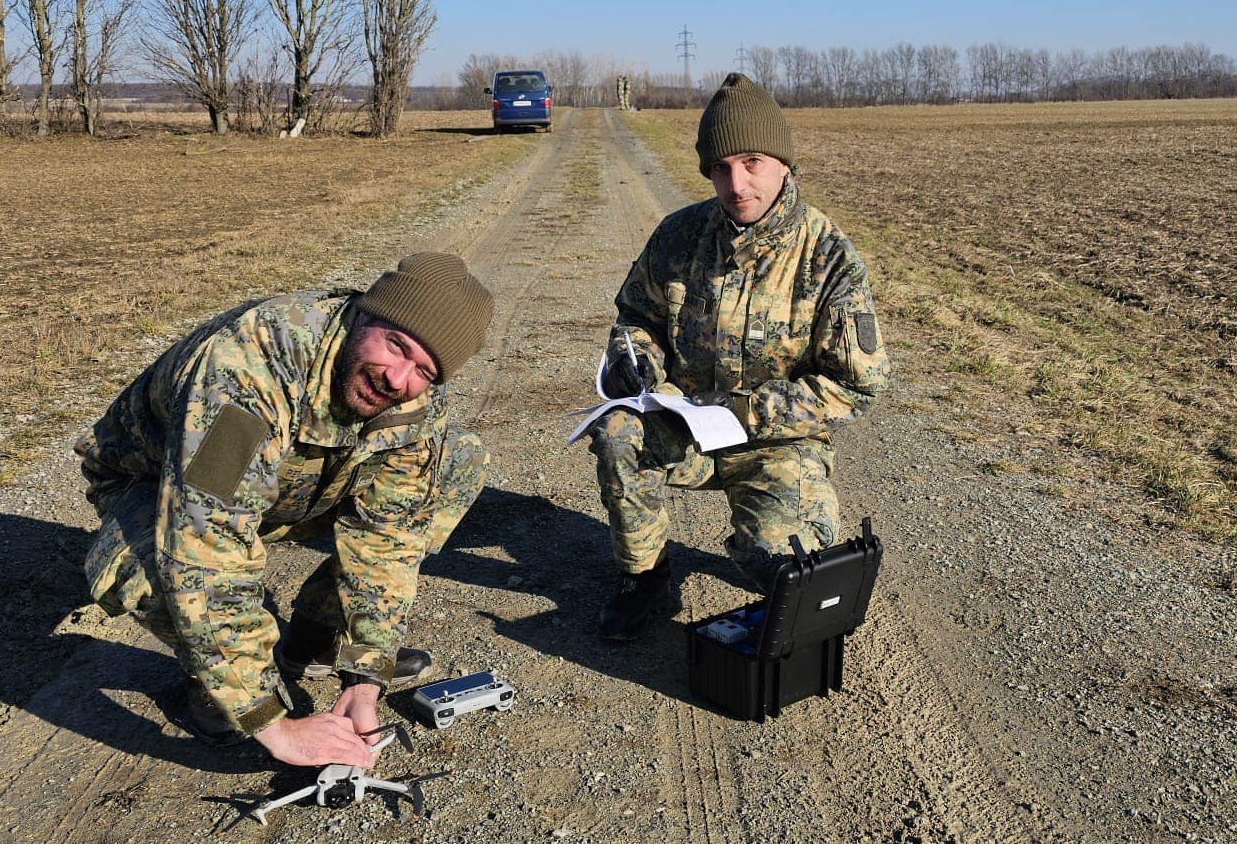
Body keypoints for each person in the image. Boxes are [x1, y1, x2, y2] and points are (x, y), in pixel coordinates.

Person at [74, 253, 493, 767]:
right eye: (395, 346)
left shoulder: (414, 401)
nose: (396, 377)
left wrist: (367, 674)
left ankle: (316, 639)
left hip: (284, 483)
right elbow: (205, 540)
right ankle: (216, 680)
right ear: (364, 313)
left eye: (423, 371)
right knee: (148, 568)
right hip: (161, 485)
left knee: (455, 465)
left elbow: (389, 538)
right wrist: (271, 721)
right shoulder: (250, 367)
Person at [589, 73, 890, 641]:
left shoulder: (828, 257)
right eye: (720, 167)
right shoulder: (679, 236)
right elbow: (637, 316)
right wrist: (639, 362)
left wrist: (746, 412)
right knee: (618, 433)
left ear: (783, 163)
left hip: (777, 443)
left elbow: (856, 386)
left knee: (782, 570)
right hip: (685, 424)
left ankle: (771, 548)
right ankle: (646, 577)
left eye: (752, 162)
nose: (737, 183)